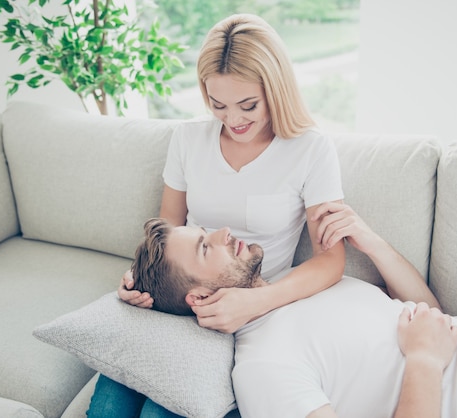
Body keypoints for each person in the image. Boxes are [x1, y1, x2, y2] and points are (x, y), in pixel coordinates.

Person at [89, 12, 351, 417]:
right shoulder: (188, 139)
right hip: (179, 298)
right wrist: (140, 280)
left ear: (275, 89)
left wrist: (256, 302)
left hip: (246, 310)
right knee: (109, 406)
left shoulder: (309, 149)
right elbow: (168, 230)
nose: (233, 120)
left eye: (248, 105)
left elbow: (331, 260)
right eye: (218, 105)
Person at [130, 217, 457, 418]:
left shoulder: (302, 280)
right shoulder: (261, 369)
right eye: (205, 247)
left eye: (205, 231)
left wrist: (373, 244)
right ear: (199, 296)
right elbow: (428, 345)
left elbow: (431, 318)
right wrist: (424, 362)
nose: (222, 232)